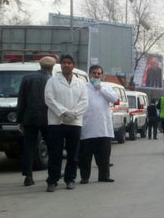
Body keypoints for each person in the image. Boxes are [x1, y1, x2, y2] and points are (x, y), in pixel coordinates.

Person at [44, 54, 88, 192]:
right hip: (56, 122)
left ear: (73, 65)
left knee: (73, 153)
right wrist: (63, 112)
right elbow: (49, 99)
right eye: (64, 63)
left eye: (69, 63)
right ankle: (52, 180)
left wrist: (73, 113)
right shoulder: (52, 81)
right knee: (55, 153)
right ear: (60, 65)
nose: (66, 65)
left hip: (74, 122)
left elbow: (85, 101)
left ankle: (70, 179)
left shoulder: (80, 83)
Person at [17, 56, 55, 186]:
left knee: (29, 147)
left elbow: (21, 100)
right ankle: (52, 173)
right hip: (48, 118)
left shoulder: (27, 78)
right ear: (52, 67)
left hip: (30, 117)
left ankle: (28, 176)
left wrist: (19, 119)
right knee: (52, 146)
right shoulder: (52, 80)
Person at [78, 65, 116, 184]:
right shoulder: (83, 87)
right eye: (94, 73)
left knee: (104, 156)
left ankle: (104, 175)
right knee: (85, 156)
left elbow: (114, 99)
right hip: (87, 127)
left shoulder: (106, 87)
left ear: (102, 75)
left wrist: (100, 89)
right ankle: (85, 177)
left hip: (103, 128)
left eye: (99, 73)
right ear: (89, 74)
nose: (96, 75)